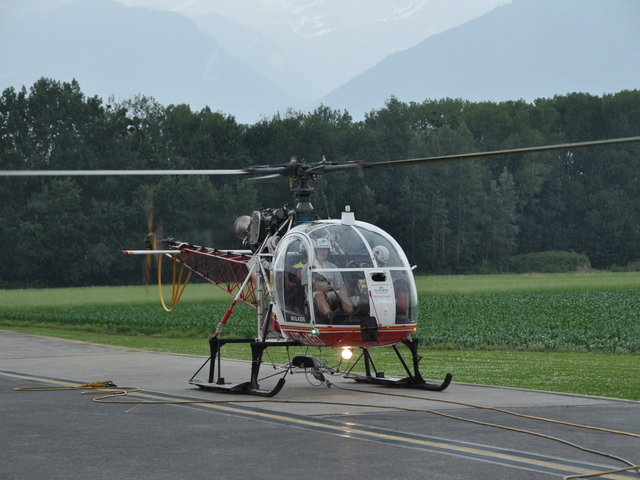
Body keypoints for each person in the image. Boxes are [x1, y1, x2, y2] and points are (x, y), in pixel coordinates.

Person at [302, 238, 353, 322]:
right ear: (315, 251)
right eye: (321, 249)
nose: (323, 252)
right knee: (319, 294)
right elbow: (309, 284)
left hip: (330, 293)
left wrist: (344, 294)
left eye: (325, 250)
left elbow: (340, 285)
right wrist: (322, 289)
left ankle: (351, 315)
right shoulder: (307, 267)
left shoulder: (333, 267)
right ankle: (330, 315)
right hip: (313, 294)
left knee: (342, 293)